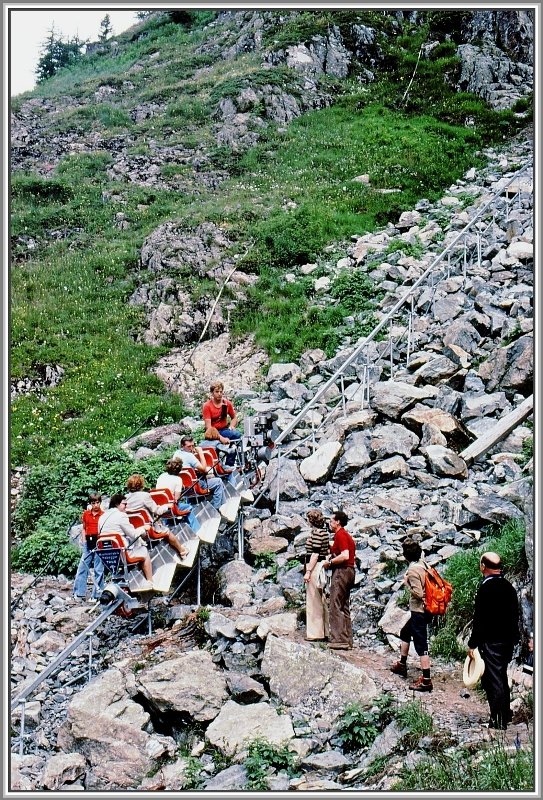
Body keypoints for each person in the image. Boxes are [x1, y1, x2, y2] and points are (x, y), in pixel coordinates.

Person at [467, 551, 519, 730]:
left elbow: (480, 619)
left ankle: (498, 721)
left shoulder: (485, 588)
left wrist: (472, 644)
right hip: (508, 641)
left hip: (492, 641)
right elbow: (515, 616)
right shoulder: (509, 587)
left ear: (483, 566)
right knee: (501, 675)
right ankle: (505, 713)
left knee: (493, 679)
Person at [390, 537, 433, 692]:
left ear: (406, 555)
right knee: (405, 632)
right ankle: (402, 664)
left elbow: (419, 593)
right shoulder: (424, 565)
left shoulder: (413, 570)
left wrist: (407, 582)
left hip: (419, 611)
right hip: (426, 610)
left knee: (421, 645)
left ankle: (426, 680)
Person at [125, 474, 189, 559]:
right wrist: (167, 506)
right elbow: (157, 511)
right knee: (167, 532)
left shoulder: (125, 498)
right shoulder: (144, 496)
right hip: (149, 529)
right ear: (141, 484)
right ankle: (182, 550)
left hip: (134, 530)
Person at [98, 493, 154, 587]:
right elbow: (134, 534)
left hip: (107, 556)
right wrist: (144, 528)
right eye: (124, 504)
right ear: (117, 504)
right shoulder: (121, 516)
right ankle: (150, 581)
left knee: (134, 546)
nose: (126, 507)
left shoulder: (102, 517)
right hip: (122, 554)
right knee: (144, 550)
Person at [322, 510, 355, 650]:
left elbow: (345, 555)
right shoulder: (345, 535)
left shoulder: (340, 535)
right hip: (350, 571)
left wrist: (330, 562)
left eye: (331, 521)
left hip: (342, 571)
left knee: (335, 604)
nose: (330, 523)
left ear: (338, 522)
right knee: (344, 605)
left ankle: (338, 639)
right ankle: (347, 639)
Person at [172, 436, 225, 510]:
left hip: (183, 487)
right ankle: (218, 508)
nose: (191, 448)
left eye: (192, 446)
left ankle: (213, 505)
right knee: (218, 481)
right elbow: (204, 470)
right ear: (182, 446)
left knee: (209, 478)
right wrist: (200, 453)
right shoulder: (190, 456)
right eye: (188, 446)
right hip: (194, 486)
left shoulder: (176, 454)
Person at [73, 492, 105, 602]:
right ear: (90, 503)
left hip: (99, 541)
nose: (96, 505)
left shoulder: (103, 515)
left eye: (97, 503)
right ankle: (79, 592)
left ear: (100, 503)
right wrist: (84, 540)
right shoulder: (86, 514)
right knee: (83, 566)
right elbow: (84, 528)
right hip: (88, 541)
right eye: (93, 503)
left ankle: (97, 595)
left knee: (98, 568)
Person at [303, 509, 330, 641]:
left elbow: (315, 553)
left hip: (315, 566)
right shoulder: (324, 532)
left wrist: (308, 571)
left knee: (314, 599)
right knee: (322, 599)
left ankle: (315, 633)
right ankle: (325, 631)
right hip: (321, 565)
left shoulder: (317, 534)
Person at [201, 380, 241, 466]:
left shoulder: (227, 403)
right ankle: (215, 467)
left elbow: (234, 418)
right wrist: (221, 438)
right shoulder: (207, 406)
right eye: (216, 392)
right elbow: (208, 427)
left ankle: (230, 464)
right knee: (213, 447)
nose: (219, 394)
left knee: (237, 435)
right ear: (212, 393)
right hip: (212, 432)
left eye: (221, 392)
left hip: (224, 429)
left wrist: (232, 426)